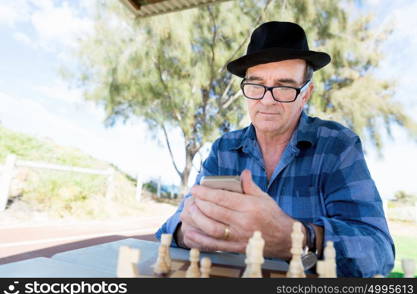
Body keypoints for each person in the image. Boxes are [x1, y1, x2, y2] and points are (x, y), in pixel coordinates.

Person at [155, 21, 395, 277]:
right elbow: (169, 229)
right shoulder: (224, 149)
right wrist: (187, 231)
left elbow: (378, 251)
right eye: (256, 85)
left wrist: (299, 239)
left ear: (306, 93)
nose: (267, 100)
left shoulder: (336, 146)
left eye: (284, 87)